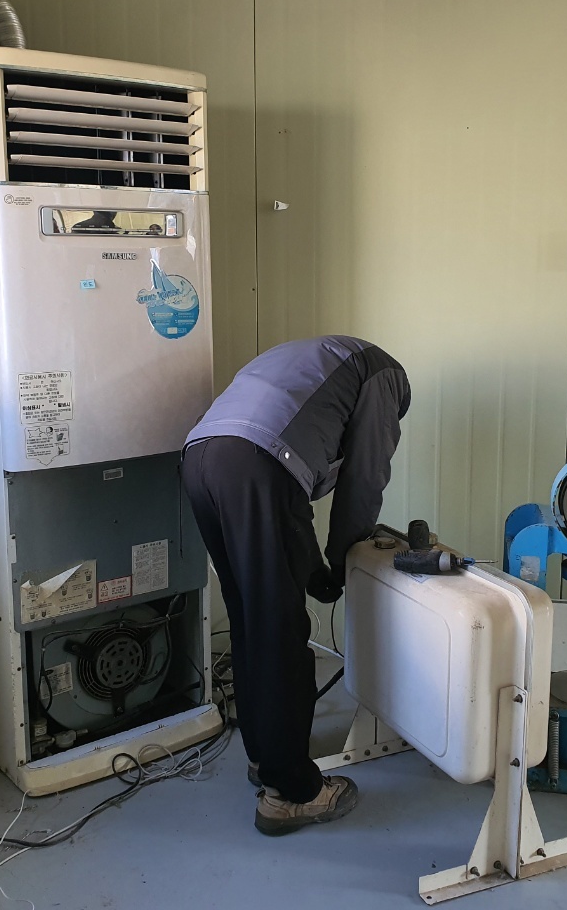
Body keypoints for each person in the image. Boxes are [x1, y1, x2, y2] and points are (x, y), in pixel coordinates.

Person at [181, 335, 411, 835]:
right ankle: (292, 793)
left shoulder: (317, 361)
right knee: (281, 633)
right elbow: (363, 477)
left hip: (200, 460)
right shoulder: (386, 375)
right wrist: (346, 558)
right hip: (253, 465)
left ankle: (265, 758)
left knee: (251, 620)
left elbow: (292, 500)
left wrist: (313, 573)